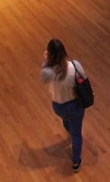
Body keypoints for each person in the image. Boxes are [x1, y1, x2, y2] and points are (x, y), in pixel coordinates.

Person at [40, 39, 86, 173]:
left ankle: (69, 127)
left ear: (49, 54)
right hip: (75, 105)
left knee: (66, 120)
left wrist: (46, 61)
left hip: (58, 107)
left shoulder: (49, 71)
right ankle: (76, 162)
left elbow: (43, 78)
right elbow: (83, 78)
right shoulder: (75, 66)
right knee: (77, 134)